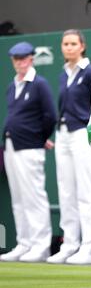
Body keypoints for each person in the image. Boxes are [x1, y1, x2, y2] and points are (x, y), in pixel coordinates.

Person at [46, 29, 91, 265]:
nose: (68, 47)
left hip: (84, 134)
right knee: (66, 192)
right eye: (65, 44)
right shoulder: (63, 74)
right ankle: (69, 244)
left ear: (82, 46)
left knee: (86, 192)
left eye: (72, 43)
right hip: (64, 134)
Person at [0, 42, 56, 262]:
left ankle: (40, 246)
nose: (20, 62)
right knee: (19, 199)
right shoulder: (12, 85)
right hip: (11, 147)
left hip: (30, 147)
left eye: (24, 58)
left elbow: (50, 116)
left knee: (34, 197)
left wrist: (39, 138)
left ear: (31, 59)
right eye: (16, 59)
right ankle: (24, 244)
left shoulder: (39, 84)